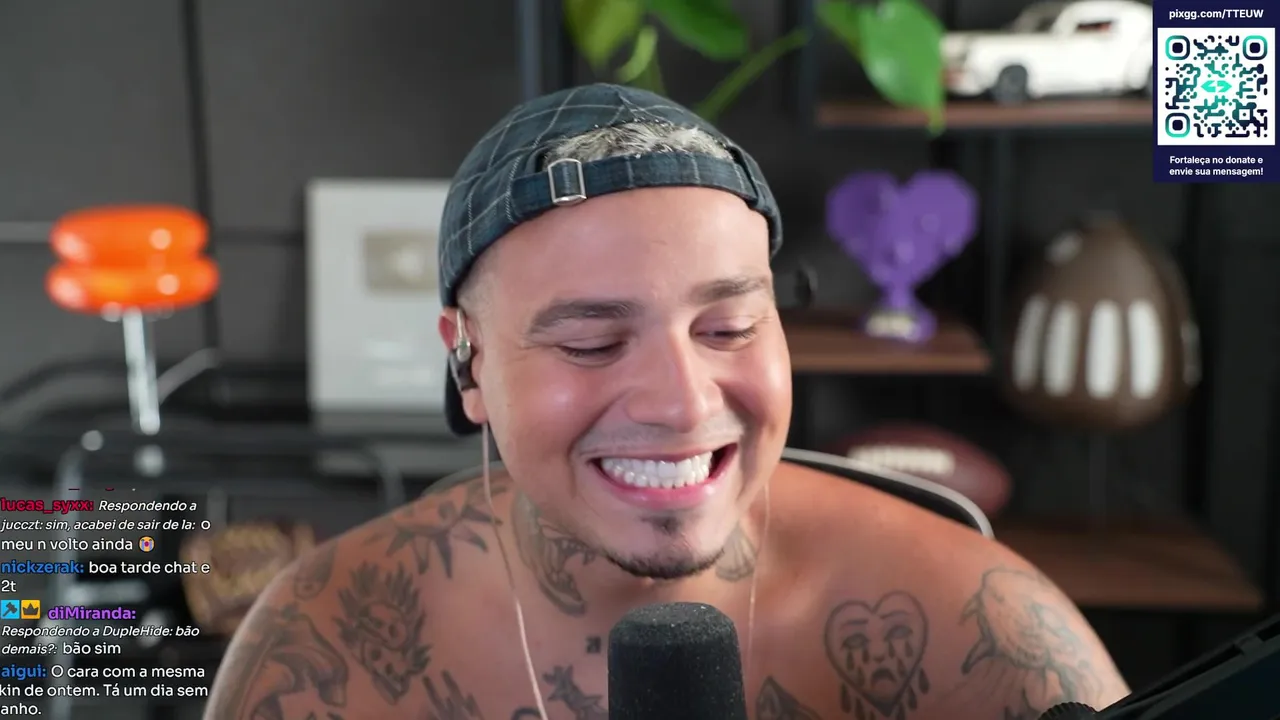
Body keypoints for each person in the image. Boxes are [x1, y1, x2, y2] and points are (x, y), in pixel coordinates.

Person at [204, 84, 1128, 720]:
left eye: (729, 328)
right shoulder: (327, 641)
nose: (684, 404)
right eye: (592, 343)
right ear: (469, 363)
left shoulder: (978, 625)